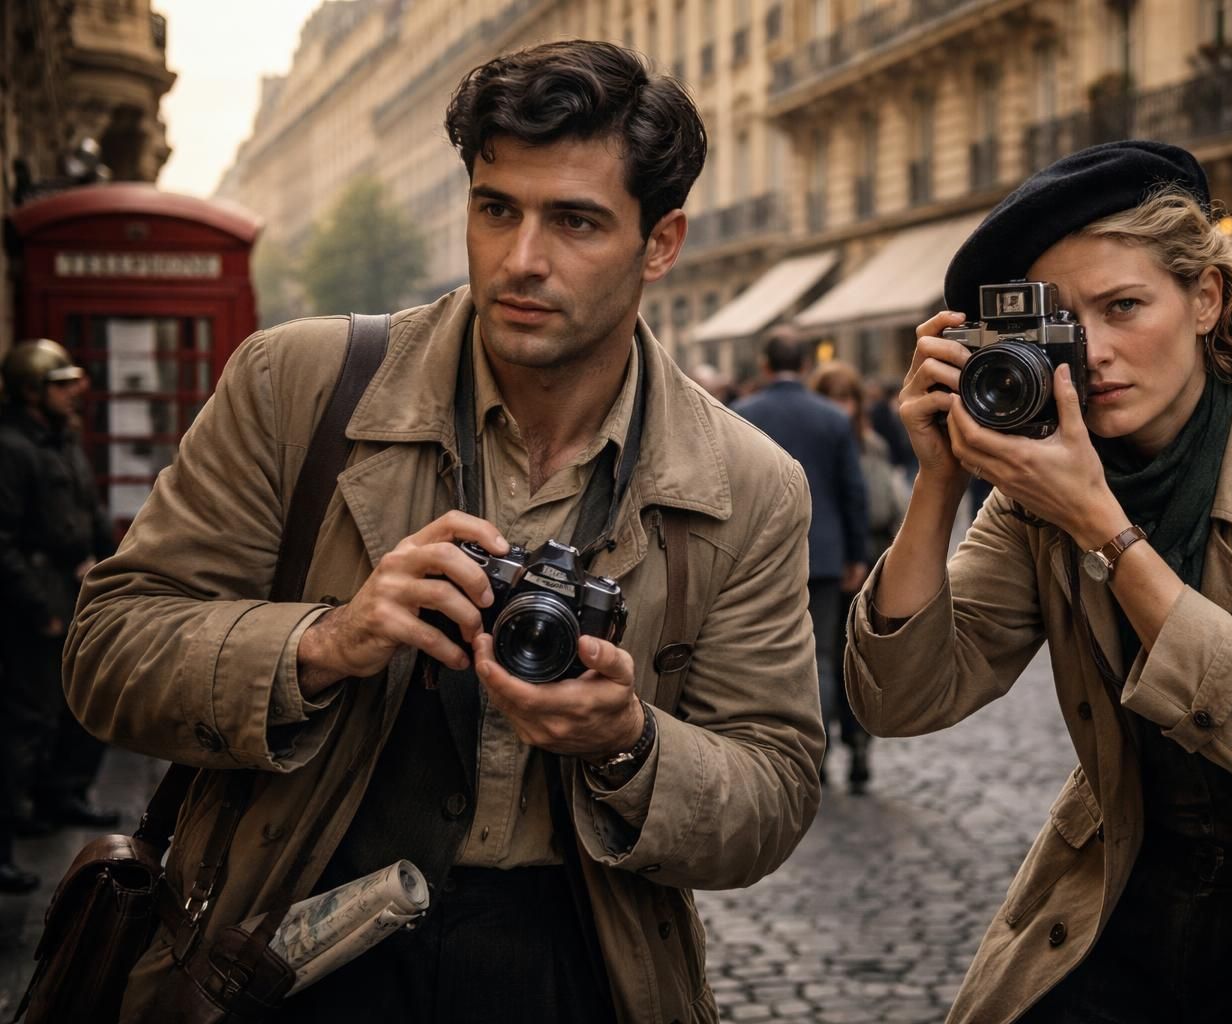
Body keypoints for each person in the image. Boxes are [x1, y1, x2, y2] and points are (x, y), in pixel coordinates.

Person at [63, 40, 822, 1023]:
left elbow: (773, 791)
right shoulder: (296, 385)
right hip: (279, 944)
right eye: (496, 208)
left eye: (576, 221)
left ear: (661, 242)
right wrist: (324, 643)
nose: (522, 260)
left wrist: (629, 744)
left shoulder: (749, 484)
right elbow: (106, 650)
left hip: (574, 967)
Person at [843, 141, 1232, 1022]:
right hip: (1122, 886)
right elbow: (900, 700)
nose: (1097, 353)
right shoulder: (1042, 485)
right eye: (1066, 324)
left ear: (1205, 298)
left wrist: (1101, 527)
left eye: (1124, 306)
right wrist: (938, 479)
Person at [0, 339, 119, 893]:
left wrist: (119, 571)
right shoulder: (11, 448)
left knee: (82, 702)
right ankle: (8, 832)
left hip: (77, 586)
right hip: (36, 598)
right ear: (31, 391)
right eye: (62, 383)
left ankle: (59, 794)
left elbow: (90, 511)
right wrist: (39, 607)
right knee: (26, 720)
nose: (77, 390)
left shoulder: (63, 438)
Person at [734, 333, 868, 787]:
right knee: (822, 658)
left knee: (760, 659)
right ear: (807, 366)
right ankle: (819, 757)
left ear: (764, 365)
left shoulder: (743, 413)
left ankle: (776, 754)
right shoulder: (833, 418)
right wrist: (856, 555)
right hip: (825, 555)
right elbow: (853, 492)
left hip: (760, 557)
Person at [809, 359, 903, 793]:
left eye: (846, 398)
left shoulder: (872, 445)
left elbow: (885, 505)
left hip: (867, 561)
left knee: (860, 660)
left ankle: (859, 747)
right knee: (823, 659)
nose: (840, 407)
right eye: (833, 398)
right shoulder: (834, 442)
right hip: (833, 566)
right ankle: (822, 750)